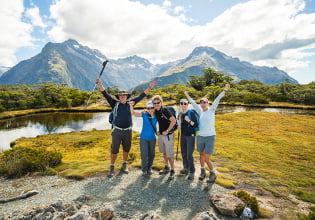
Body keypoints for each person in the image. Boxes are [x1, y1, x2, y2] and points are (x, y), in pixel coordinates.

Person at [96, 78, 156, 178]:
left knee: (126, 149)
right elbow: (105, 93)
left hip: (128, 130)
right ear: (119, 97)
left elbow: (142, 95)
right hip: (117, 130)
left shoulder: (131, 103)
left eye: (124, 96)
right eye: (121, 96)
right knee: (114, 149)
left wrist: (149, 87)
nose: (122, 97)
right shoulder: (114, 103)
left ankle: (124, 165)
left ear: (127, 97)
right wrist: (99, 83)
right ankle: (112, 167)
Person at [184, 84, 230, 183]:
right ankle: (202, 171)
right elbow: (193, 103)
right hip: (200, 136)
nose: (202, 103)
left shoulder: (212, 110)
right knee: (201, 155)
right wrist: (187, 95)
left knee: (207, 158)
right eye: (201, 102)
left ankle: (212, 173)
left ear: (208, 103)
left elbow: (217, 99)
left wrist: (224, 90)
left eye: (204, 102)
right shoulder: (200, 111)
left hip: (210, 137)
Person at [152, 95, 177, 180]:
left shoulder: (165, 110)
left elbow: (173, 121)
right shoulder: (156, 111)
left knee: (170, 154)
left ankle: (173, 170)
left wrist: (167, 131)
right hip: (161, 135)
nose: (156, 104)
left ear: (161, 102)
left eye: (158, 103)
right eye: (154, 103)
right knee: (164, 152)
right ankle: (166, 167)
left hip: (168, 135)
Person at [129, 100, 157, 176]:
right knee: (144, 154)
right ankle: (144, 170)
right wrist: (131, 106)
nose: (150, 110)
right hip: (143, 138)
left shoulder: (157, 115)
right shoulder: (144, 114)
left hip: (152, 138)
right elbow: (134, 113)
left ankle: (149, 168)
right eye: (148, 108)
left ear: (154, 108)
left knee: (151, 154)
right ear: (146, 108)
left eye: (152, 108)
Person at [177, 98, 198, 180]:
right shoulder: (179, 114)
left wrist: (189, 120)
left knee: (189, 154)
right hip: (183, 135)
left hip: (191, 135)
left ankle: (192, 171)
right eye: (181, 103)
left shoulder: (191, 113)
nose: (183, 105)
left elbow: (195, 125)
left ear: (187, 104)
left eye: (185, 103)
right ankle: (185, 167)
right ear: (180, 104)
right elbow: (178, 123)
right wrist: (178, 126)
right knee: (184, 153)